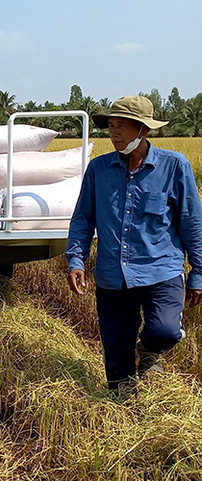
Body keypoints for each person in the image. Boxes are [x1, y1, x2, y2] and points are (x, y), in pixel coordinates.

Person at [66, 95, 202, 394]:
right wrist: (76, 260)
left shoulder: (174, 166)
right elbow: (83, 218)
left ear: (143, 130)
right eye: (111, 126)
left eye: (122, 126)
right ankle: (123, 402)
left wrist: (199, 272)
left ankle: (150, 350)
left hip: (161, 270)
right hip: (113, 275)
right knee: (117, 353)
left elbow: (192, 222)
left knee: (166, 331)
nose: (114, 133)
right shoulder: (99, 169)